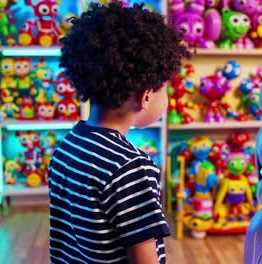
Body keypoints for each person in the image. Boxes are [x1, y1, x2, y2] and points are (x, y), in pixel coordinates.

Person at [48, 2, 189, 263]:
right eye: (165, 89)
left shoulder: (67, 148)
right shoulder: (131, 167)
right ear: (146, 95)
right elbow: (144, 257)